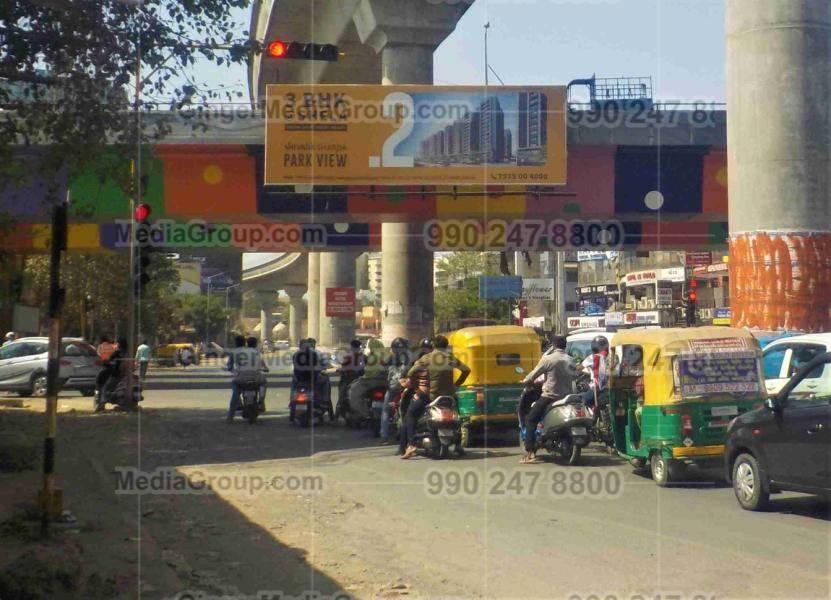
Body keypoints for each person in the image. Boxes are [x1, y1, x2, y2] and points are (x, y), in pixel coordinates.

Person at [401, 335, 471, 459]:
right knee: (456, 414)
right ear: (446, 346)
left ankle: (411, 445)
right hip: (449, 396)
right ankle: (458, 445)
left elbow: (411, 372)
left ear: (433, 345)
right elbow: (466, 370)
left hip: (431, 396)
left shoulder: (427, 358)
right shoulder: (450, 357)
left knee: (411, 414)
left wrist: (416, 386)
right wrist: (457, 384)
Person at [519, 334, 577, 464]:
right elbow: (575, 376)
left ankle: (530, 452)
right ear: (565, 345)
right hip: (567, 397)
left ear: (554, 345)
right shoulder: (571, 360)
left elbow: (533, 374)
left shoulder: (548, 359)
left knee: (530, 419)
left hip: (550, 396)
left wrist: (526, 380)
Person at [396, 338, 433, 455]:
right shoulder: (440, 361)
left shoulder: (418, 363)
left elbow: (408, 380)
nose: (426, 351)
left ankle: (407, 445)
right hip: (435, 394)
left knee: (408, 417)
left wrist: (407, 383)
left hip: (421, 394)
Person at [347, 338, 388, 422]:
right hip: (385, 382)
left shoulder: (373, 356)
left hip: (371, 381)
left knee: (353, 391)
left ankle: (364, 414)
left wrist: (361, 377)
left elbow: (369, 373)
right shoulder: (387, 354)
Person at [379, 337, 410, 444]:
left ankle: (384, 436)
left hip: (392, 387)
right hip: (405, 386)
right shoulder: (408, 358)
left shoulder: (389, 357)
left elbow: (381, 369)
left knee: (385, 411)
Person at [336, 339, 365, 418]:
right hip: (359, 380)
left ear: (351, 347)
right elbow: (363, 368)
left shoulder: (348, 357)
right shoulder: (362, 356)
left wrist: (339, 370)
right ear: (359, 347)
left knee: (341, 397)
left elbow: (344, 368)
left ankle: (336, 416)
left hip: (348, 380)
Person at [581, 335, 610, 410]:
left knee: (583, 400)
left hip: (597, 388)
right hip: (609, 387)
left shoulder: (593, 357)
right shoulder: (611, 356)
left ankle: (591, 413)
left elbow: (579, 368)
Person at [224, 335, 247, 422]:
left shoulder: (233, 352)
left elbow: (229, 366)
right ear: (245, 343)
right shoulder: (251, 351)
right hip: (254, 377)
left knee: (235, 394)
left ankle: (230, 416)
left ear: (236, 343)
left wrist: (234, 372)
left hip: (240, 377)